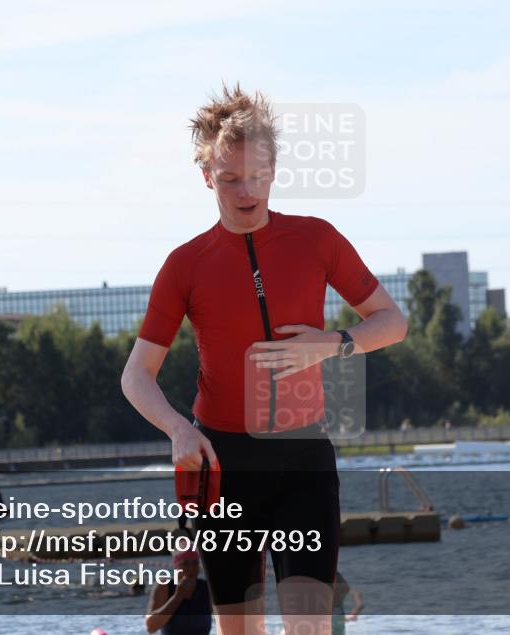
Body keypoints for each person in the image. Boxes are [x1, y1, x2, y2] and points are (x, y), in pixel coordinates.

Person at [122, 84, 407, 635]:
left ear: (274, 169)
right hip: (221, 465)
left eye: (256, 175)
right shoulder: (184, 265)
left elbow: (392, 322)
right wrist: (178, 430)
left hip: (303, 461)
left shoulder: (317, 239)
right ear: (206, 175)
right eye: (229, 179)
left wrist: (333, 342)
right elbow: (136, 377)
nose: (245, 191)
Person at [145, 550, 212, 634]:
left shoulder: (206, 588)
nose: (191, 568)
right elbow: (151, 627)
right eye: (185, 564)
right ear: (176, 566)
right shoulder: (164, 586)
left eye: (195, 563)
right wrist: (177, 597)